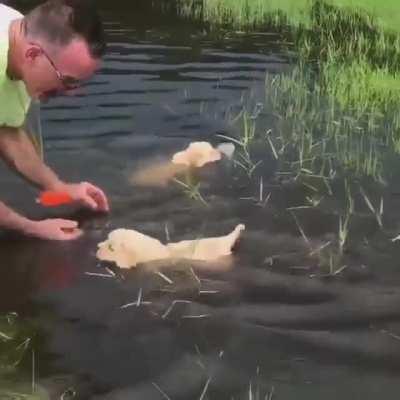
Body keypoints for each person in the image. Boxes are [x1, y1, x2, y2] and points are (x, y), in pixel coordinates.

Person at [0, 0, 110, 241]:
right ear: (32, 55)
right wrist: (32, 227)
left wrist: (59, 188)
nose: (70, 93)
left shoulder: (21, 40)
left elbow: (7, 133)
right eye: (67, 81)